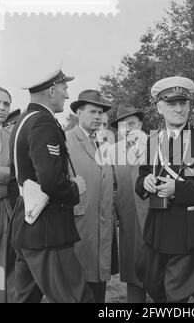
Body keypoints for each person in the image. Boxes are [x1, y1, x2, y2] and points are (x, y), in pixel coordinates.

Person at [135, 76, 194, 303]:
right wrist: (146, 182)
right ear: (159, 107)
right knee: (154, 286)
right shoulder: (153, 140)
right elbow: (141, 177)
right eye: (171, 103)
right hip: (157, 232)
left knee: (176, 296)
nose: (179, 109)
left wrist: (177, 189)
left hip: (189, 231)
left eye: (183, 103)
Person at [9, 66, 94, 303]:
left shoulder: (23, 121)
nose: (67, 94)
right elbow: (51, 181)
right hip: (47, 228)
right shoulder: (43, 123)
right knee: (77, 297)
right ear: (52, 90)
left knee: (25, 298)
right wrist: (75, 188)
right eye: (65, 88)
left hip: (27, 224)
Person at [67, 89, 118, 303]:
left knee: (99, 287)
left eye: (101, 112)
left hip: (103, 226)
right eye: (92, 112)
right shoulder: (66, 140)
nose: (98, 116)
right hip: (79, 225)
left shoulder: (104, 143)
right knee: (77, 287)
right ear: (79, 113)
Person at [108, 104, 148, 303]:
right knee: (133, 272)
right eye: (123, 126)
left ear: (140, 123)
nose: (129, 129)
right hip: (129, 219)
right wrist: (115, 211)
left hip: (154, 219)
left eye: (132, 123)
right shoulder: (112, 151)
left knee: (159, 272)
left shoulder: (155, 145)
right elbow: (112, 186)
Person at [0, 87, 16, 303]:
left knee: (5, 263)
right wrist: (11, 174)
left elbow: (21, 169)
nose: (1, 107)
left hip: (7, 209)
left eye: (6, 104)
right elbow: (16, 172)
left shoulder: (10, 136)